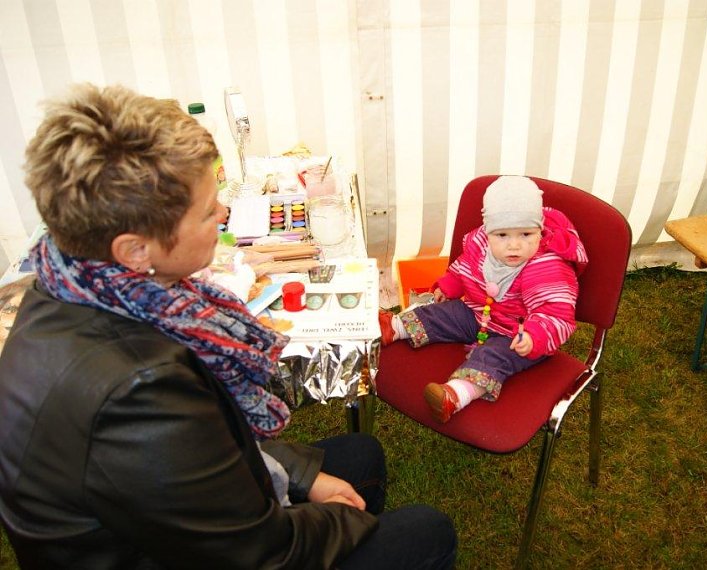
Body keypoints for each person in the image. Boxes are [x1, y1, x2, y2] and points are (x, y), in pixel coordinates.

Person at [0, 83, 456, 569]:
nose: (223, 215)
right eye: (206, 211)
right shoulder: (138, 388)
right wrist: (354, 526)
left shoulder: (64, 283)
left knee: (361, 456)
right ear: (136, 250)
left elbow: (203, 455)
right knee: (427, 533)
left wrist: (303, 478)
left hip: (162, 520)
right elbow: (258, 552)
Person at [379, 176, 588, 423]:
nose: (514, 245)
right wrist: (450, 284)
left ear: (540, 229)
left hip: (518, 335)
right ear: (488, 231)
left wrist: (534, 336)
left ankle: (457, 394)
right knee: (444, 313)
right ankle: (394, 327)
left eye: (526, 234)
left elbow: (555, 312)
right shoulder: (480, 243)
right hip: (479, 314)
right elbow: (465, 266)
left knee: (493, 358)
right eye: (502, 235)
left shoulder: (547, 266)